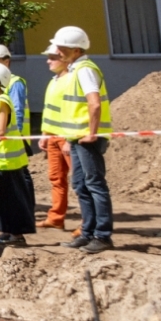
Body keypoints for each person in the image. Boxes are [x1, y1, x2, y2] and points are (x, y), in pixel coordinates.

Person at [43, 27, 114, 253]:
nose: (57, 52)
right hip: (75, 137)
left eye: (61, 48)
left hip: (86, 139)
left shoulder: (84, 70)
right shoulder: (74, 70)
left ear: (75, 50)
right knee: (81, 185)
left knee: (94, 185)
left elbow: (94, 102)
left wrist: (91, 133)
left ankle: (102, 235)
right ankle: (87, 232)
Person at [0, 61, 35, 247]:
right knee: (2, 199)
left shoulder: (2, 102)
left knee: (13, 199)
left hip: (9, 160)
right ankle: (7, 231)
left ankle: (17, 234)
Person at [40, 46, 74, 231]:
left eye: (53, 57)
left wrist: (70, 139)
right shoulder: (54, 81)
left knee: (80, 182)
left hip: (67, 137)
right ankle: (56, 217)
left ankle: (89, 224)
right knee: (56, 178)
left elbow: (73, 111)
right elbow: (49, 109)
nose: (48, 61)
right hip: (53, 136)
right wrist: (45, 134)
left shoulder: (71, 80)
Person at [0, 44, 31, 155]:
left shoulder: (15, 83)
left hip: (11, 141)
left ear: (7, 62)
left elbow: (17, 111)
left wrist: (14, 138)